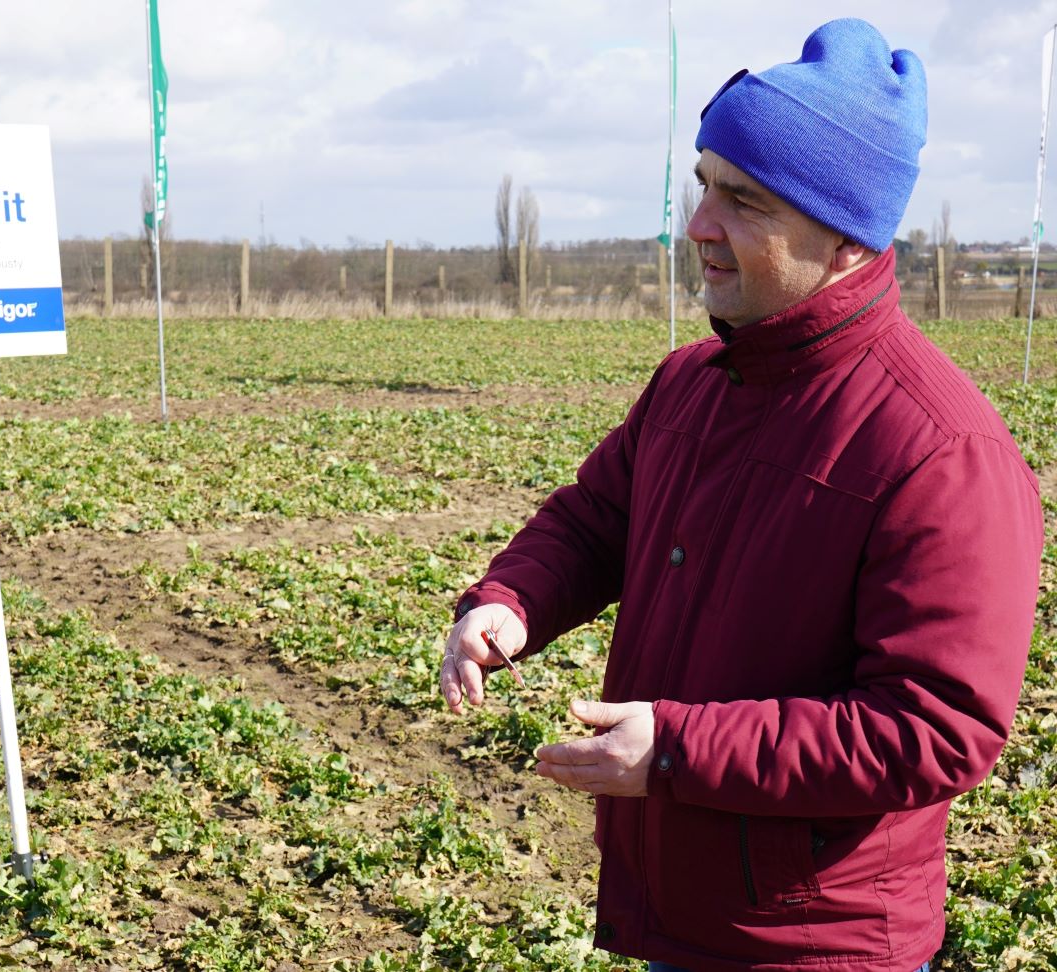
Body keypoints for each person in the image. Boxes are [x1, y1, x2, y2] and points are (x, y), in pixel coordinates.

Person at [439, 18, 1043, 972]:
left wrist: (680, 751)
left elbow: (933, 728)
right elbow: (597, 520)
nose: (698, 227)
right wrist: (510, 602)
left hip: (814, 942)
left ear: (846, 236)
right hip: (681, 909)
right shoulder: (692, 381)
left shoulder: (940, 452)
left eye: (745, 201)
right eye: (704, 185)